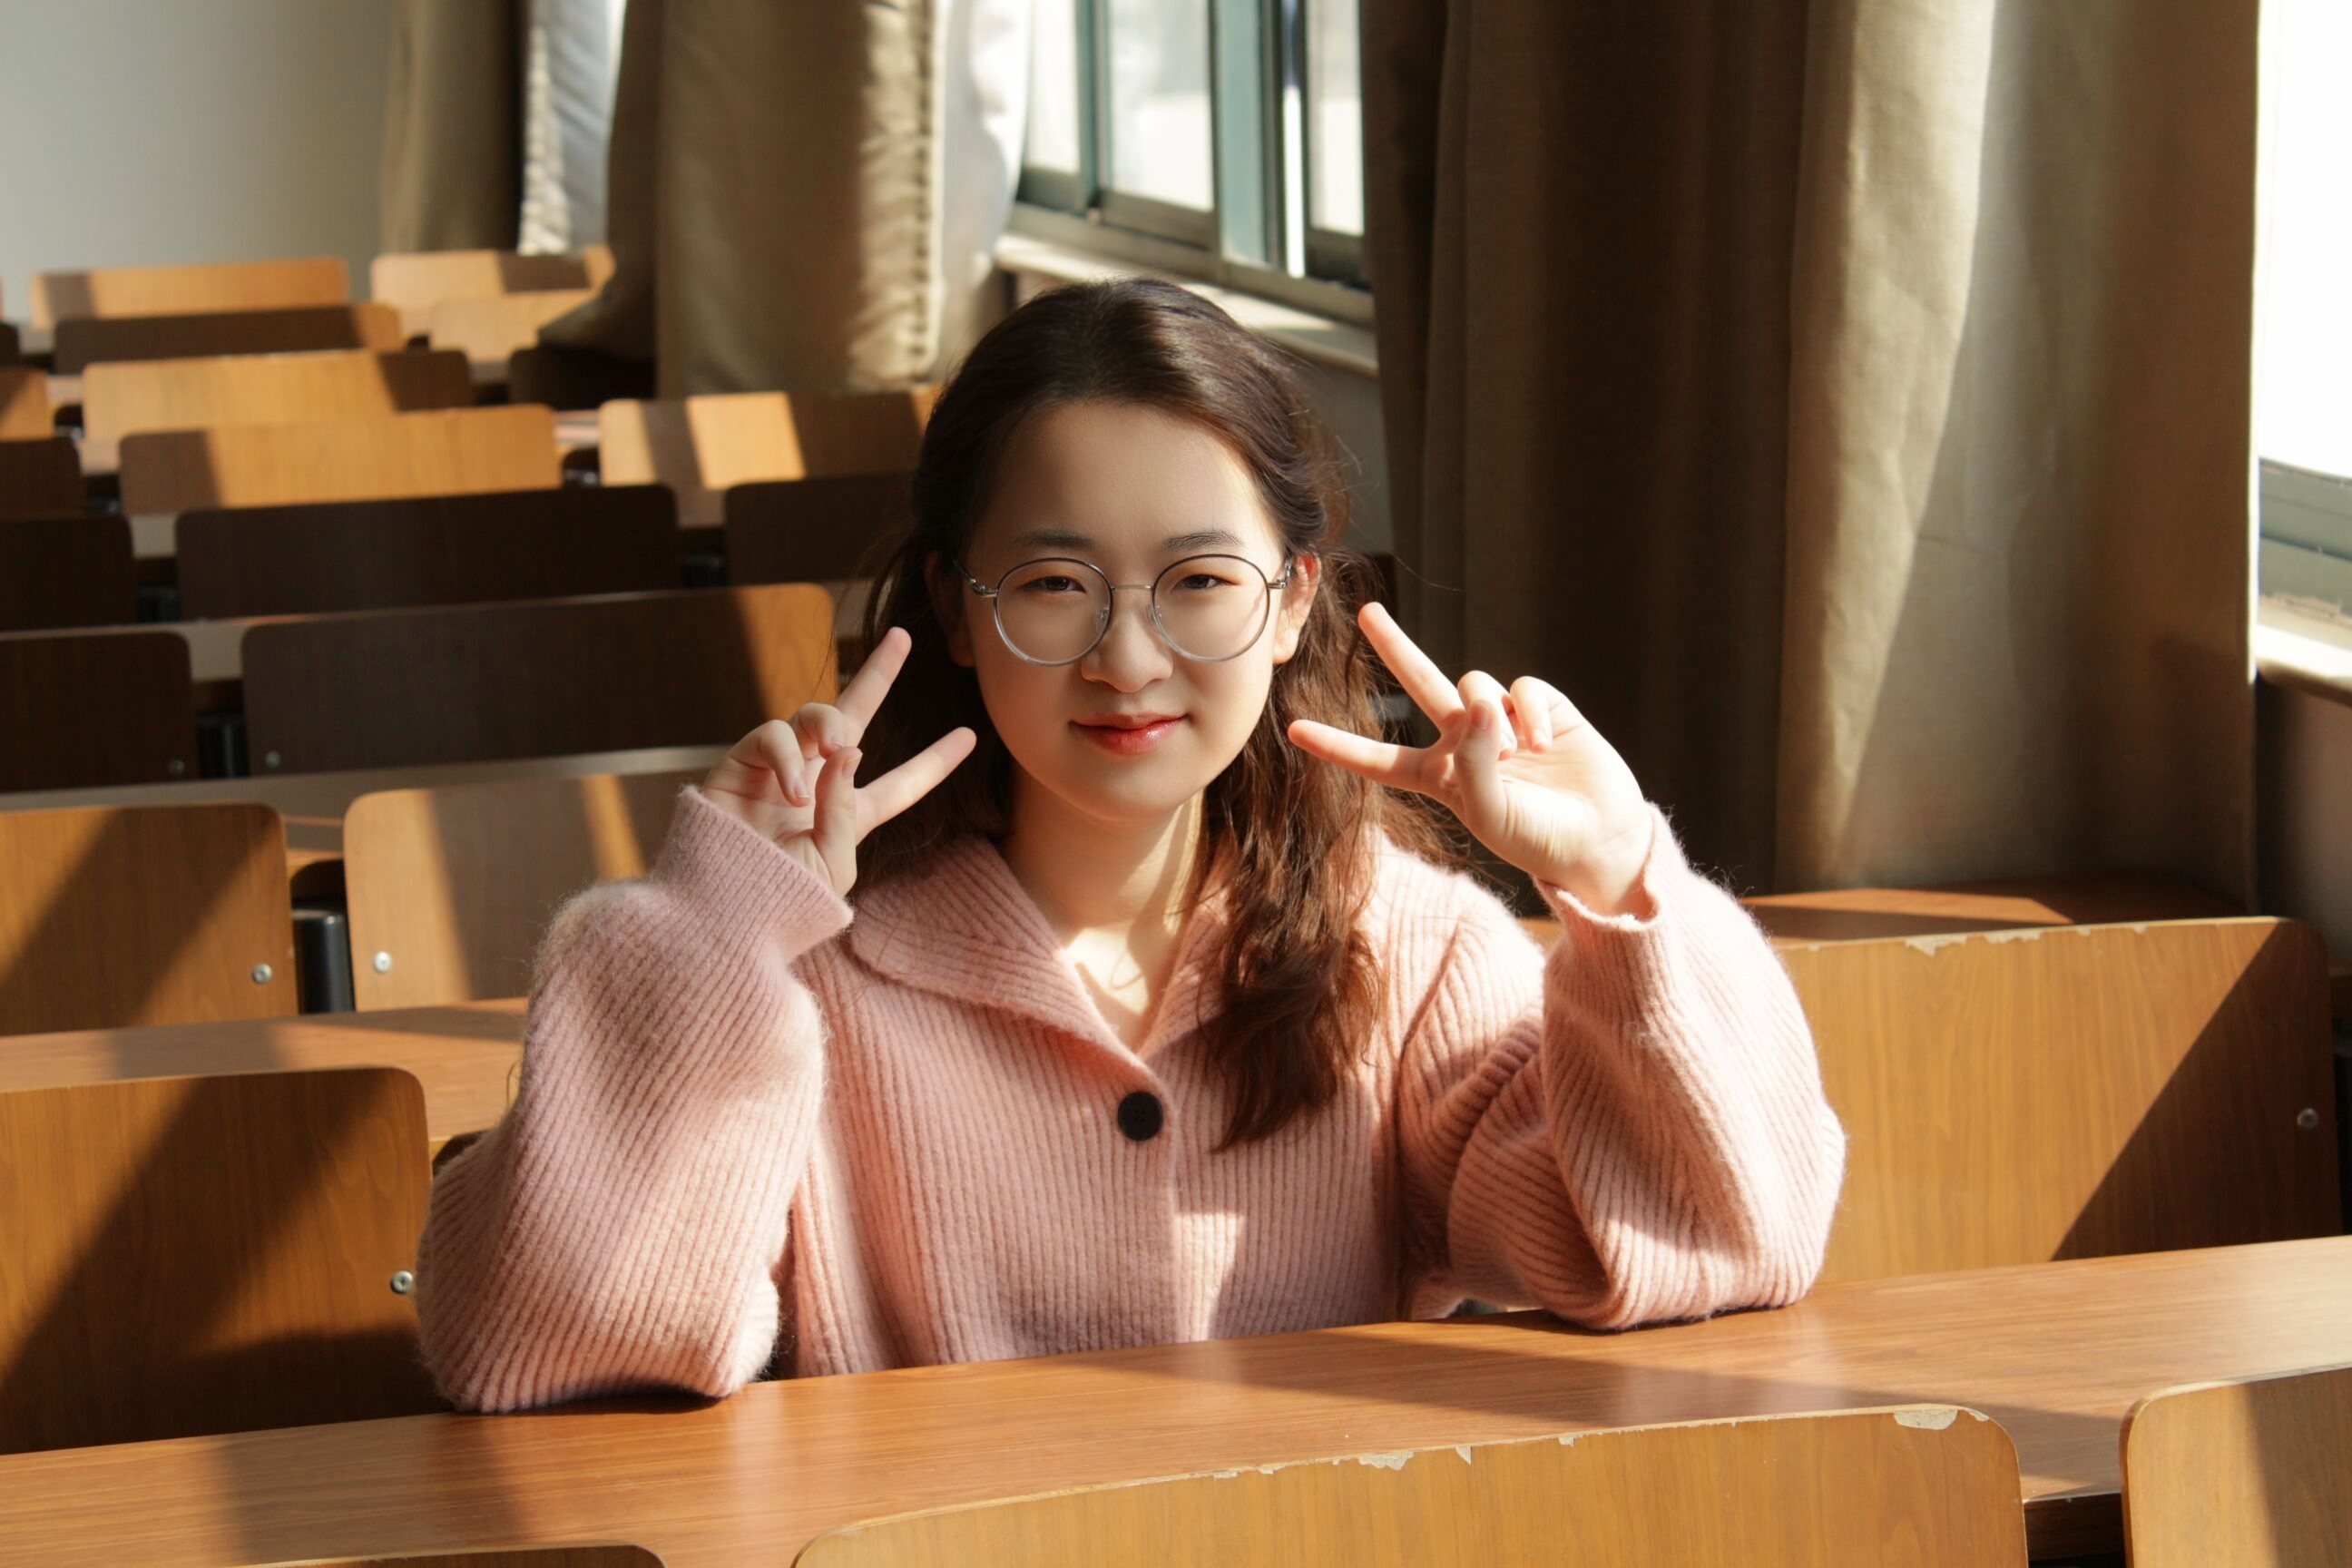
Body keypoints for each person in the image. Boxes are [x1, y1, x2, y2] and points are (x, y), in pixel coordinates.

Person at [415, 279, 1846, 1413]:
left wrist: (1618, 877)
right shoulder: (796, 984)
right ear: (957, 608)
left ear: (1293, 603)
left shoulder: (1411, 956)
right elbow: (536, 1346)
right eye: (1056, 583)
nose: (1129, 659)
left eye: (1200, 581)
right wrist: (709, 935)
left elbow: (1723, 1244)